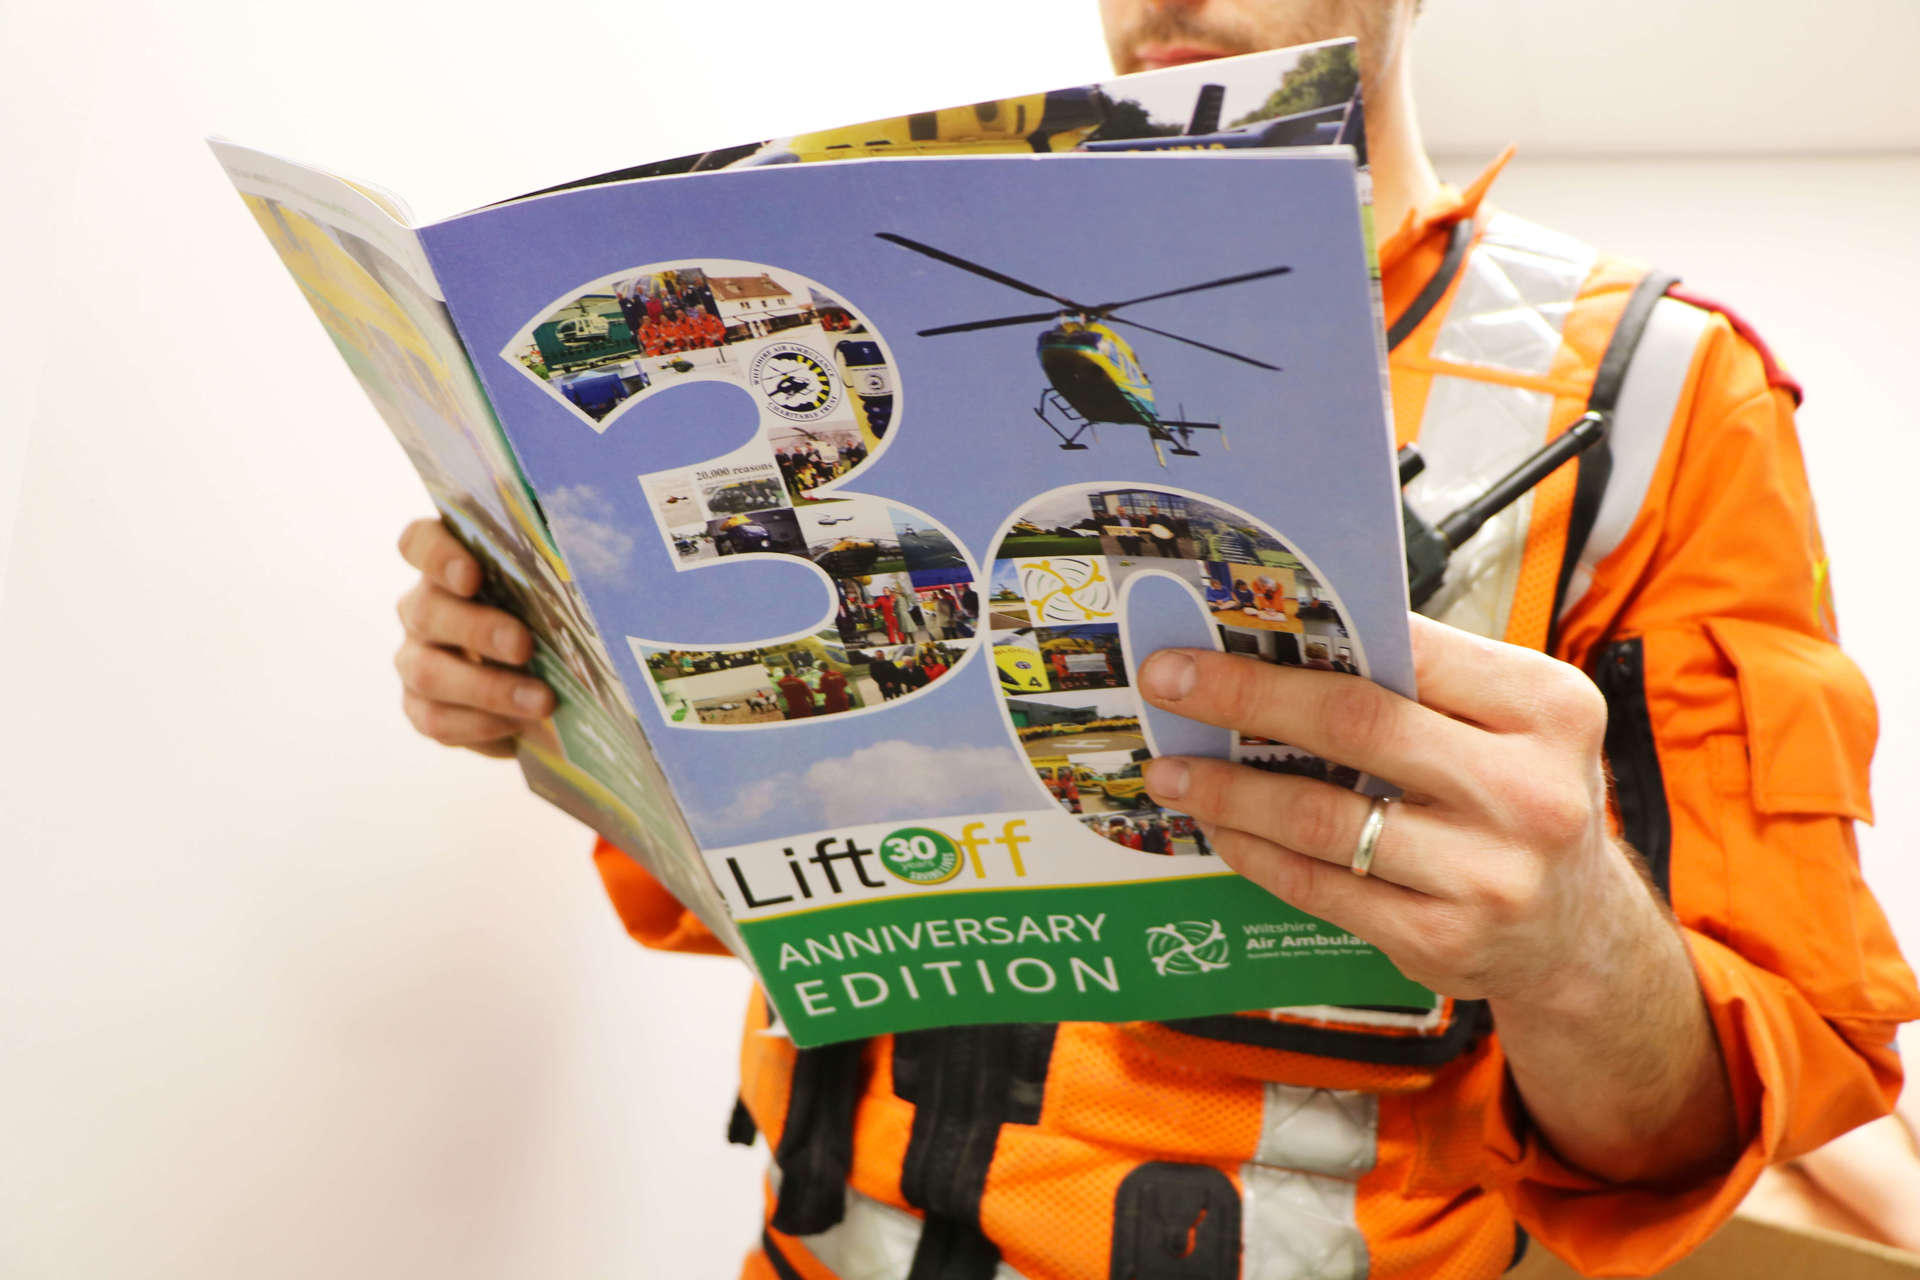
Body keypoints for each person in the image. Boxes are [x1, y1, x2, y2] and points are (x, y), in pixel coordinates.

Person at [387, 3, 1920, 1276]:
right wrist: (556, 696)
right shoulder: (869, 296)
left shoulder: (1656, 396)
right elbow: (728, 898)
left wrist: (1576, 938)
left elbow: (1708, 1123)